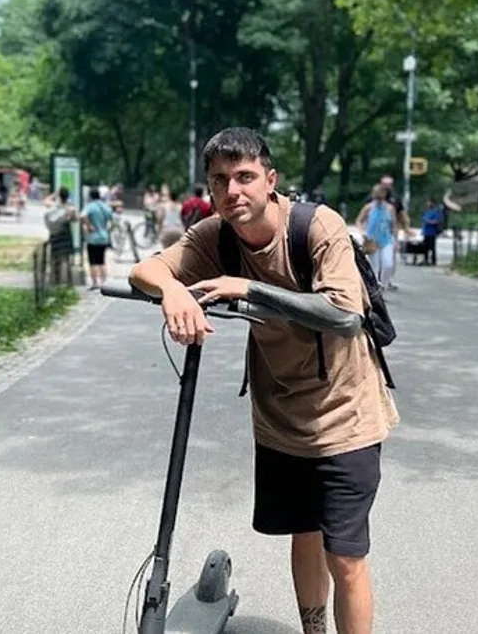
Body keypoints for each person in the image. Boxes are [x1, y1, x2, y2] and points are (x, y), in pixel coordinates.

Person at [128, 126, 398, 634]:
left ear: (270, 180)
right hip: (280, 419)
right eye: (220, 181)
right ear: (210, 190)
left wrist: (248, 285)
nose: (234, 191)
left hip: (346, 416)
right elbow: (146, 269)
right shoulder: (214, 235)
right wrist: (173, 292)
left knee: (345, 556)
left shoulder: (316, 226)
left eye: (246, 177)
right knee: (304, 533)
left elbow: (343, 314)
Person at [355, 184, 397, 290]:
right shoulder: (369, 207)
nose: (378, 195)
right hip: (372, 241)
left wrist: (396, 241)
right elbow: (359, 221)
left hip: (386, 240)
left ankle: (384, 284)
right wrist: (362, 232)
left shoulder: (390, 208)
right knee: (374, 267)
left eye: (381, 193)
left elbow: (394, 225)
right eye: (377, 193)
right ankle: (375, 288)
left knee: (388, 264)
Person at [82, 187, 115, 290]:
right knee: (101, 260)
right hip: (104, 237)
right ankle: (104, 282)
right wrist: (108, 230)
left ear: (90, 196)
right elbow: (112, 221)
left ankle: (95, 283)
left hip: (93, 238)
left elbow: (82, 216)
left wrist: (88, 225)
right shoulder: (105, 207)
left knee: (93, 261)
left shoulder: (90, 206)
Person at [419, 198, 442, 266]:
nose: (428, 204)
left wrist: (428, 221)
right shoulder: (426, 212)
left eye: (429, 202)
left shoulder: (436, 212)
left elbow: (436, 222)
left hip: (432, 232)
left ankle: (433, 261)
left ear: (433, 203)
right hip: (426, 232)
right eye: (427, 202)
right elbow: (423, 220)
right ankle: (425, 260)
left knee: (432, 247)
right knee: (425, 247)